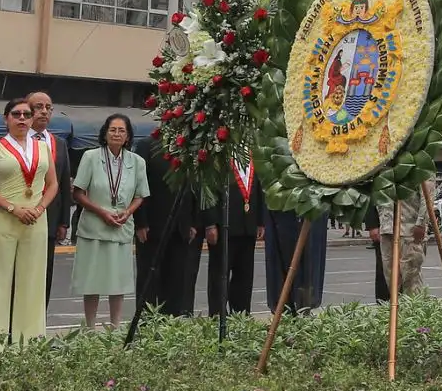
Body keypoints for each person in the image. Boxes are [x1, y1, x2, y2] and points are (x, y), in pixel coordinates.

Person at [0, 99, 56, 351]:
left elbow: (53, 184)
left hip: (36, 220)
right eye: (16, 114)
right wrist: (12, 208)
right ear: (6, 118)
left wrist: (39, 208)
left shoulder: (43, 148)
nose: (22, 119)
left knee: (33, 283)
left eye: (26, 114)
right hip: (3, 217)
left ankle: (28, 344)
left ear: (32, 119)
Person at [70, 115, 148, 330]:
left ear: (128, 136)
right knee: (91, 279)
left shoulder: (137, 161)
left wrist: (128, 212)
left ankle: (115, 326)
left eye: (121, 131)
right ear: (105, 133)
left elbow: (141, 194)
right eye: (112, 130)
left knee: (118, 280)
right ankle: (89, 327)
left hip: (121, 226)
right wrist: (102, 212)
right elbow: (78, 192)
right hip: (94, 224)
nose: (116, 134)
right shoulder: (90, 157)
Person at [134, 134, 197, 315]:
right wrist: (141, 222)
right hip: (152, 225)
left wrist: (193, 221)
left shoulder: (189, 145)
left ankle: (173, 322)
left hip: (181, 226)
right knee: (149, 279)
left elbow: (194, 184)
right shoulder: (147, 145)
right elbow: (139, 184)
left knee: (177, 278)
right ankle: (147, 322)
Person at [25, 92, 72, 308]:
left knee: (44, 274)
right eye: (38, 106)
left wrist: (64, 222)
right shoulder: (15, 140)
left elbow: (63, 184)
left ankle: (38, 327)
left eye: (48, 107)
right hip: (20, 214)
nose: (44, 111)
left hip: (49, 218)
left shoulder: (59, 144)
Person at [204, 155, 264, 317]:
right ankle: (217, 316)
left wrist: (260, 220)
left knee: (244, 276)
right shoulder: (219, 154)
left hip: (247, 225)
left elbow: (259, 187)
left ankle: (241, 315)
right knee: (219, 275)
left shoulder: (253, 155)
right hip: (224, 226)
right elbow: (208, 189)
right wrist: (210, 223)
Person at [262, 206, 327, 314]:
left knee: (308, 265)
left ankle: (304, 305)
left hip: (311, 210)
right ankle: (283, 307)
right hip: (283, 211)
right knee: (283, 262)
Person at [378, 180, 431, 298]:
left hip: (409, 230)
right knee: (392, 280)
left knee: (411, 279)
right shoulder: (383, 165)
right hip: (387, 228)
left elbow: (427, 197)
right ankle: (398, 313)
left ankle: (414, 312)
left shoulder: (419, 164)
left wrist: (421, 223)